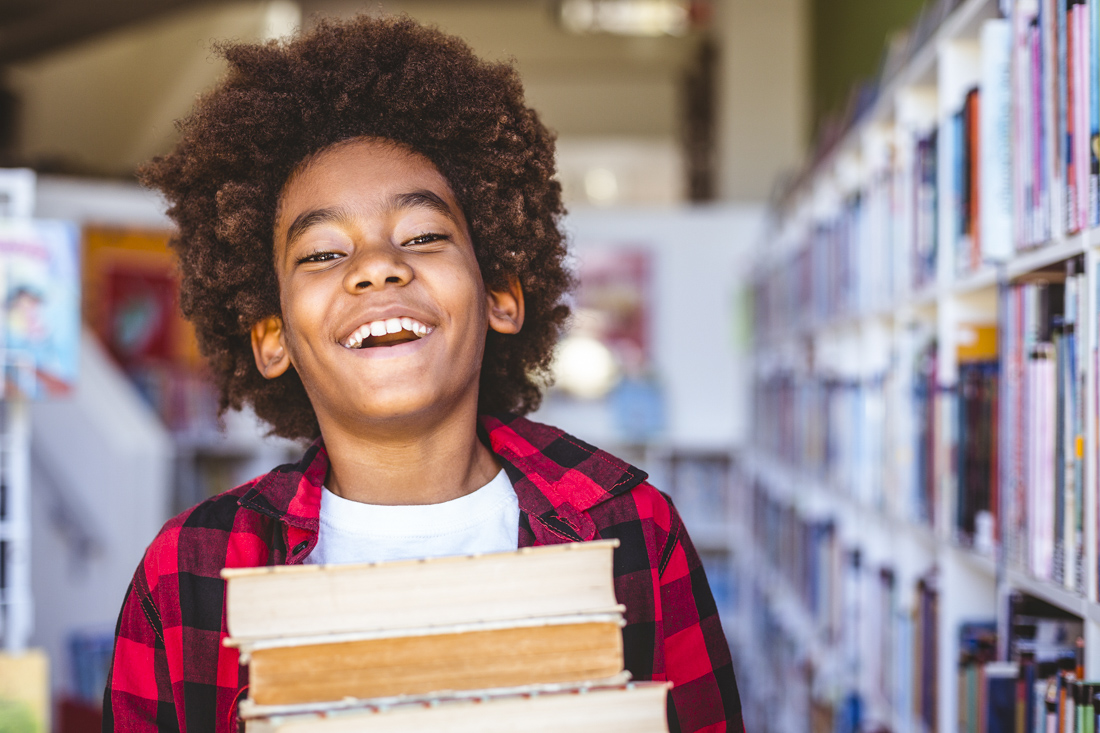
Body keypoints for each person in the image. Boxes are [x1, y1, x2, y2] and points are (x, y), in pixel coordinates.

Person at [102, 14, 743, 733]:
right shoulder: (187, 573)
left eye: (424, 236)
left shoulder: (632, 529)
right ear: (272, 335)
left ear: (500, 296)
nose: (378, 265)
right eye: (320, 253)